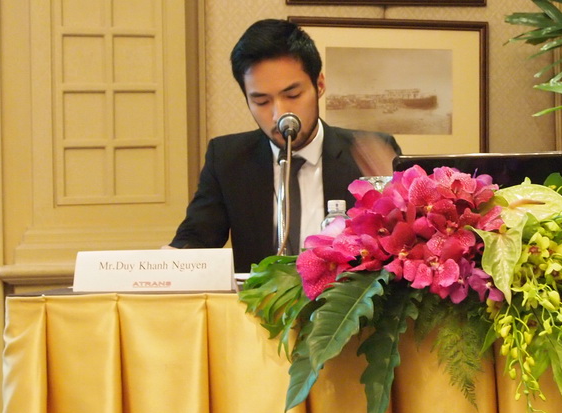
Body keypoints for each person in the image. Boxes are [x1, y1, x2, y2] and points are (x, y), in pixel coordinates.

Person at [170, 19, 400, 271]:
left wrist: (395, 201)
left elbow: (400, 246)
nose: (279, 114)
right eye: (261, 101)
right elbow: (196, 239)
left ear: (319, 85)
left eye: (292, 95)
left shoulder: (366, 153)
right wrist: (173, 261)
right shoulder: (227, 158)